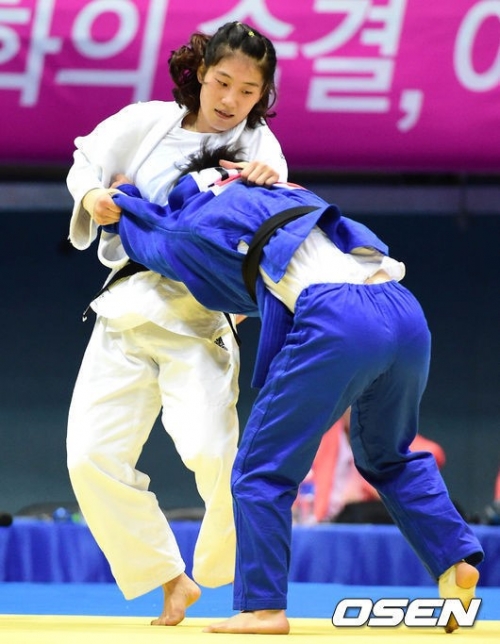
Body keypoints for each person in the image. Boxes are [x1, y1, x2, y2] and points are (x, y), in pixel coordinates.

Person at [105, 144, 484, 635]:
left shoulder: (203, 208)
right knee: (388, 455)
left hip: (340, 318)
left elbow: (156, 237)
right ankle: (454, 558)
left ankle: (263, 608)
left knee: (260, 470)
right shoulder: (286, 188)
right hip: (403, 308)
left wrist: (122, 200)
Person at [65, 21, 287, 626]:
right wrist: (91, 198)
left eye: (248, 91)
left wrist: (270, 187)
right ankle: (168, 576)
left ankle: (244, 584)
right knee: (90, 456)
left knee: (214, 454)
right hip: (128, 306)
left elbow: (277, 226)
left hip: (200, 315)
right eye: (223, 82)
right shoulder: (147, 122)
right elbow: (86, 159)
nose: (231, 100)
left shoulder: (260, 148)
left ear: (262, 95)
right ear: (201, 72)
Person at [310, 408, 447, 523]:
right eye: (354, 398)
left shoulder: (419, 453)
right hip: (317, 533)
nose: (361, 407)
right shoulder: (315, 439)